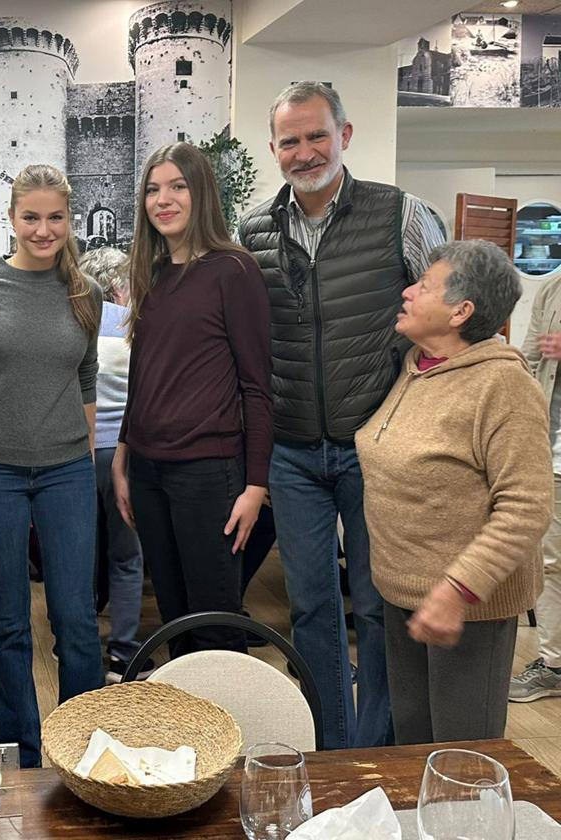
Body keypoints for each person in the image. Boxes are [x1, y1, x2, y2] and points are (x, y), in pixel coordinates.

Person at [237, 81, 444, 749]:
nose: (304, 152)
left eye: (316, 135)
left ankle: (373, 749)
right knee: (312, 611)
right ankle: (330, 745)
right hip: (293, 452)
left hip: (374, 446)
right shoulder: (254, 231)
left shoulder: (400, 214)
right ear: (273, 150)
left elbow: (449, 313)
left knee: (379, 608)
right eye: (290, 141)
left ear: (345, 136)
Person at [0, 164, 103, 769]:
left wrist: (84, 451)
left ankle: (86, 751)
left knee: (77, 620)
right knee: (8, 624)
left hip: (66, 470)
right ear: (10, 219)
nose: (43, 229)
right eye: (30, 217)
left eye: (54, 217)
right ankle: (21, 755)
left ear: (69, 219)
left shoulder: (83, 290)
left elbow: (84, 373)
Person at [356, 240, 551, 743]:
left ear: (461, 311)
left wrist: (457, 589)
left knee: (463, 760)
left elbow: (526, 507)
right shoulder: (414, 368)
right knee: (416, 748)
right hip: (404, 598)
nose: (407, 291)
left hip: (467, 610)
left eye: (423, 287)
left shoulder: (502, 386)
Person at [113, 143, 272, 659]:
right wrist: (122, 452)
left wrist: (254, 486)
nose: (164, 199)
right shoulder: (153, 274)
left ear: (200, 192)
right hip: (148, 470)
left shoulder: (233, 270)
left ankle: (233, 738)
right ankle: (190, 736)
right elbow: (145, 372)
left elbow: (257, 384)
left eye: (177, 186)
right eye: (154, 189)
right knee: (174, 620)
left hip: (209, 471)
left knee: (216, 622)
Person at [79, 246, 149, 682]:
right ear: (121, 286)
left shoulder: (77, 329)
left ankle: (76, 642)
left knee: (80, 556)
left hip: (78, 454)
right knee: (127, 557)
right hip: (125, 456)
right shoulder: (137, 330)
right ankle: (124, 652)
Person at [510, 266, 561, 702]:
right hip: (553, 453)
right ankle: (554, 663)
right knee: (550, 563)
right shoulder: (552, 287)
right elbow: (526, 359)